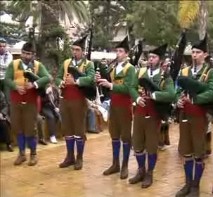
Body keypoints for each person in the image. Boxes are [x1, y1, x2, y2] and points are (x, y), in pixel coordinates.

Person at [175, 34, 213, 196]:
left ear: (205, 55)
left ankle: (195, 186)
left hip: (200, 116)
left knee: (198, 153)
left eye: (198, 52)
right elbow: (177, 90)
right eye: (193, 52)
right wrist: (177, 100)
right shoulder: (185, 70)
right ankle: (187, 184)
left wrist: (195, 98)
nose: (194, 55)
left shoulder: (211, 72)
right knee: (186, 151)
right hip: (184, 115)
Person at [129, 44, 176, 188]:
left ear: (160, 60)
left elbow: (171, 94)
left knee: (151, 145)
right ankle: (141, 170)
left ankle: (150, 173)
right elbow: (131, 87)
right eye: (149, 57)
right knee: (137, 144)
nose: (150, 59)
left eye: (154, 57)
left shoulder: (164, 76)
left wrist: (154, 95)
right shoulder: (140, 72)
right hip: (139, 112)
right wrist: (137, 98)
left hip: (154, 114)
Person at [96, 36, 136, 179]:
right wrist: (100, 80)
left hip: (125, 105)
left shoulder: (130, 69)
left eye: (121, 51)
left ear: (126, 54)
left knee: (125, 135)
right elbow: (108, 86)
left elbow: (129, 88)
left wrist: (111, 85)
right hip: (113, 104)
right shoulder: (112, 68)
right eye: (117, 51)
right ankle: (115, 164)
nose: (118, 54)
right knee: (114, 134)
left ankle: (125, 165)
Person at [4, 42, 51, 166]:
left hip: (30, 103)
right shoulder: (13, 65)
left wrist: (34, 84)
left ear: (33, 55)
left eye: (28, 54)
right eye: (23, 53)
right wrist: (15, 86)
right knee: (18, 129)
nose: (25, 56)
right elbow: (7, 79)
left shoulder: (37, 66)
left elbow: (47, 78)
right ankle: (21, 154)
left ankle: (33, 154)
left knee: (30, 129)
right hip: (16, 101)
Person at [55, 36, 95, 170]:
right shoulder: (66, 63)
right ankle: (69, 156)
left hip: (79, 100)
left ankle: (79, 157)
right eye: (73, 50)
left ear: (83, 51)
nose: (75, 52)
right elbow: (58, 77)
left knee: (79, 130)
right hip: (65, 99)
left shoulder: (88, 64)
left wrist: (76, 81)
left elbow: (90, 79)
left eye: (77, 50)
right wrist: (61, 82)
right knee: (67, 129)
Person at [0, 81, 13, 152]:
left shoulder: (1, 94)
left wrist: (2, 113)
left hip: (0, 116)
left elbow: (5, 105)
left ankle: (9, 144)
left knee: (4, 124)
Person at [0, 37, 13, 101]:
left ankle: (6, 110)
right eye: (0, 46)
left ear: (6, 46)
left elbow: (8, 66)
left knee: (7, 97)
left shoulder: (9, 55)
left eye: (3, 46)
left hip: (6, 78)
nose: (2, 48)